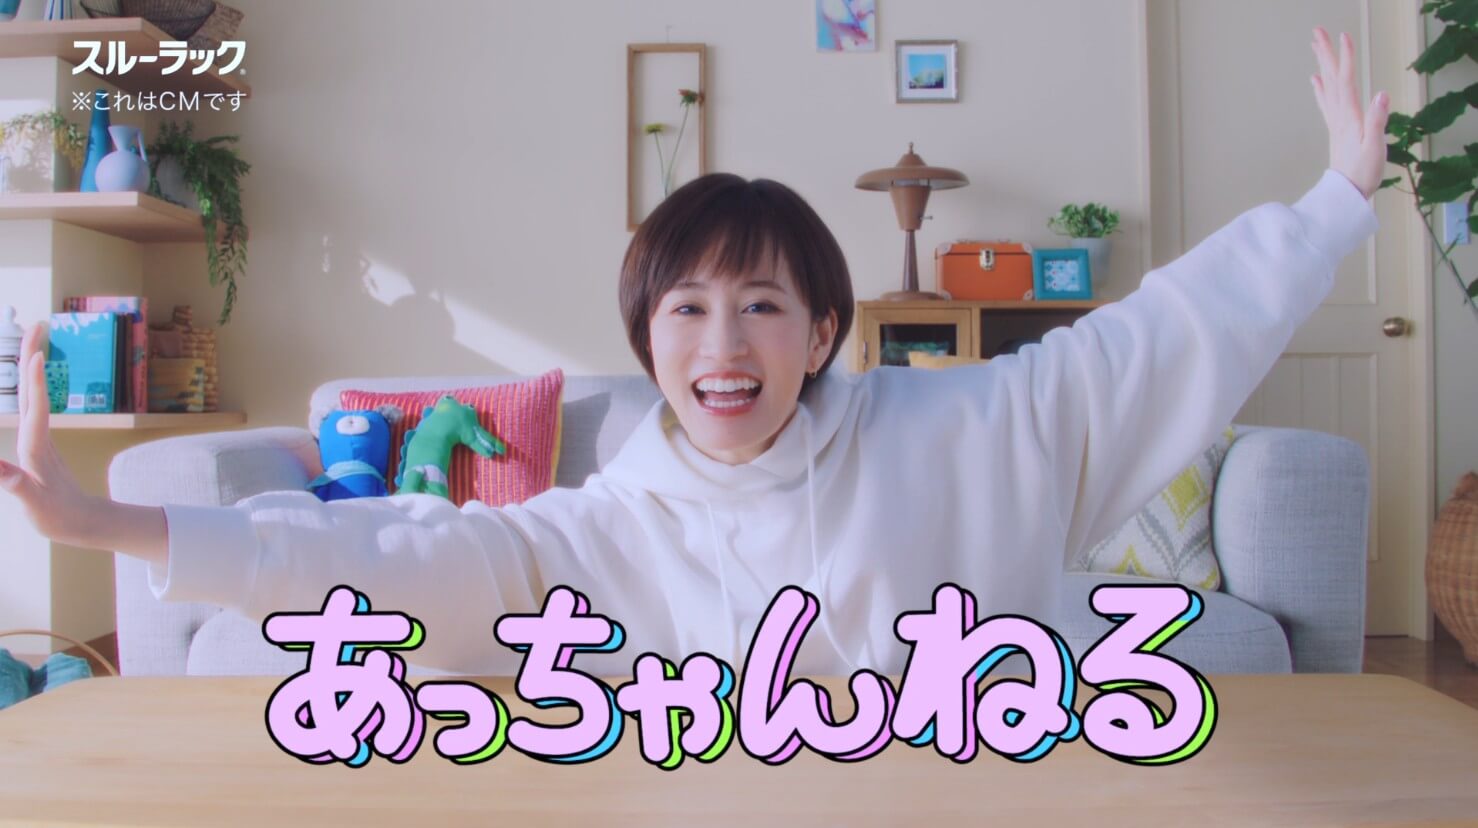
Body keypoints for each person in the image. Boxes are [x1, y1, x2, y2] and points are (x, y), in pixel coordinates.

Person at [0, 29, 1388, 677]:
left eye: (764, 306)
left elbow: (1147, 341)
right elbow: (397, 558)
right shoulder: (607, 524)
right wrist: (112, 522)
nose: (724, 345)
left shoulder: (961, 432)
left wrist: (1333, 200)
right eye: (685, 311)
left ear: (824, 331)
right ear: (646, 339)